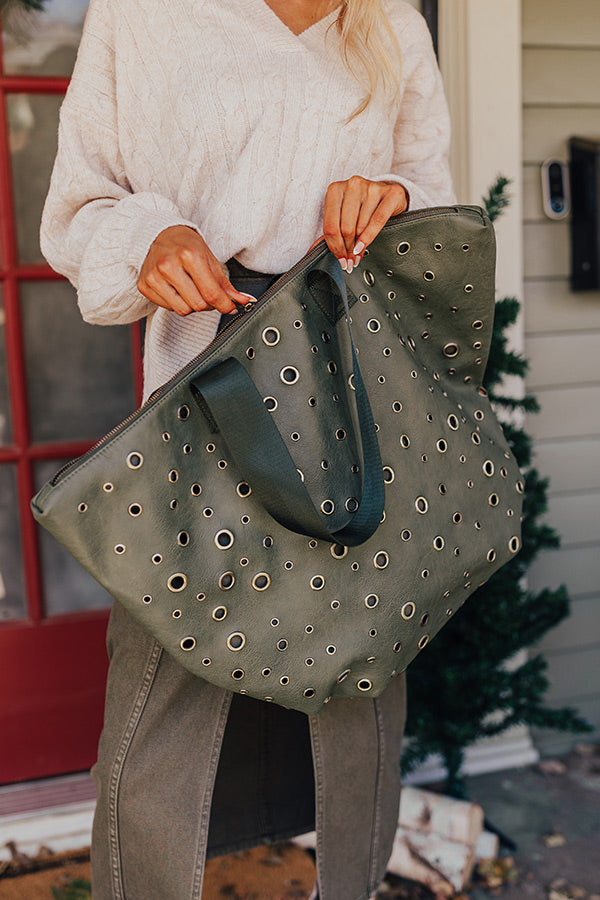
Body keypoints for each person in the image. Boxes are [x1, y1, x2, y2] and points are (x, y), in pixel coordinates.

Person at [40, 1, 455, 897]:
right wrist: (151, 236)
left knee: (363, 679)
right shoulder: (146, 14)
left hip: (356, 392)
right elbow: (81, 196)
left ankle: (354, 885)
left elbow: (432, 189)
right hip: (206, 388)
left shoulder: (388, 24)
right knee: (159, 691)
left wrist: (395, 200)